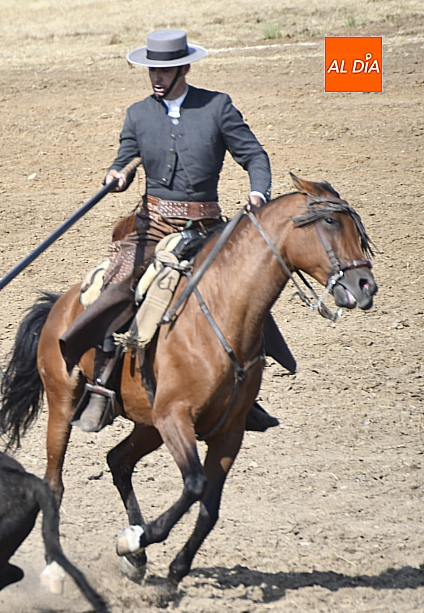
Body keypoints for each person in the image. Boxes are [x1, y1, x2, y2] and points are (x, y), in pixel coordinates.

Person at [60, 29, 287, 433]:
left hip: (208, 227)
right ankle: (103, 383)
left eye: (164, 70)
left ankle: (246, 390)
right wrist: (117, 175)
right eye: (152, 70)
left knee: (246, 290)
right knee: (120, 283)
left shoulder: (218, 107)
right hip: (153, 225)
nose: (156, 78)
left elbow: (253, 155)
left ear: (183, 67)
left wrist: (258, 191)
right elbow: (125, 160)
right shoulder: (138, 114)